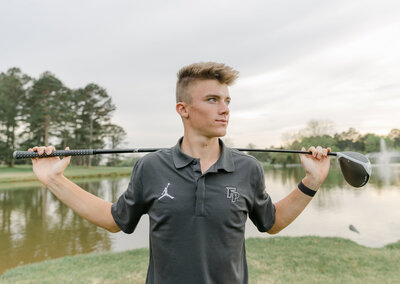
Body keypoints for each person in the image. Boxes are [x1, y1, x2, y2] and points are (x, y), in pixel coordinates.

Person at [29, 62, 331, 284]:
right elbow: (114, 220)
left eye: (227, 101)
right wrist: (54, 179)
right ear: (183, 109)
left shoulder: (248, 168)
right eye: (212, 100)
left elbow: (272, 222)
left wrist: (311, 181)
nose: (224, 109)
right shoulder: (151, 167)